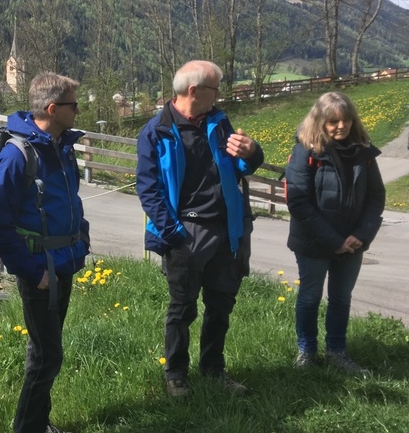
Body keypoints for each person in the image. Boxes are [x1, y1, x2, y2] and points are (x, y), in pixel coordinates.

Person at [135, 60, 263, 398]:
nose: (219, 95)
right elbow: (148, 190)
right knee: (182, 308)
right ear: (193, 91)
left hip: (227, 230)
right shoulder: (156, 131)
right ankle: (176, 374)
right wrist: (174, 235)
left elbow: (242, 165)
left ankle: (213, 369)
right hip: (186, 232)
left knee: (221, 306)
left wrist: (252, 152)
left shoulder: (219, 122)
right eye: (215, 89)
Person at [0, 72, 90, 433]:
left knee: (44, 353)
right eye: (74, 105)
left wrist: (81, 238)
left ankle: (38, 423)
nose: (78, 111)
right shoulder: (18, 156)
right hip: (41, 272)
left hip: (64, 263)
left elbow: (70, 201)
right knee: (48, 356)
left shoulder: (62, 147)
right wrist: (33, 272)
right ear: (53, 109)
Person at [285, 92, 384, 374]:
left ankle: (337, 352)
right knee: (310, 296)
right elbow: (298, 201)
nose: (341, 126)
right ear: (320, 121)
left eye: (346, 119)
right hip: (313, 241)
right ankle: (306, 351)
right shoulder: (305, 151)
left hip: (352, 242)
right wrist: (333, 241)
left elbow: (376, 196)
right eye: (333, 121)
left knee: (341, 298)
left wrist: (361, 235)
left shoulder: (363, 151)